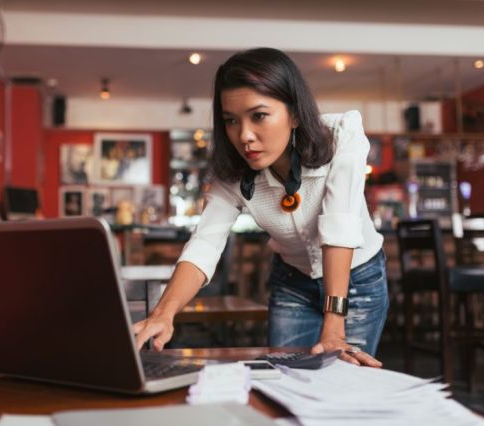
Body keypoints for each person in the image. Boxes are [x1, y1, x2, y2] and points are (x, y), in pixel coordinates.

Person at [134, 48, 388, 367]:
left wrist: (334, 325)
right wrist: (163, 313)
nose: (244, 136)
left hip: (355, 280)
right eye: (230, 121)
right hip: (293, 282)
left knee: (344, 383)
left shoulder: (341, 136)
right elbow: (205, 243)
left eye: (259, 116)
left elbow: (339, 225)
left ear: (294, 113)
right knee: (285, 378)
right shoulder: (232, 170)